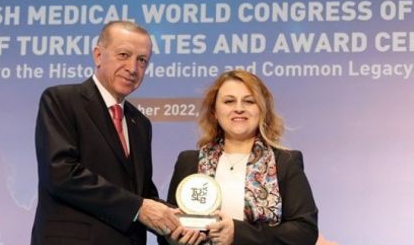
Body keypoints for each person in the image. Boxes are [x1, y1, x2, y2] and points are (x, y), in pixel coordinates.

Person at [31, 21, 184, 245]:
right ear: (98, 55)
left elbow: (142, 194)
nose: (132, 68)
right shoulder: (61, 100)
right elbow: (61, 174)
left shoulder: (140, 123)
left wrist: (184, 221)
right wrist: (138, 208)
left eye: (142, 60)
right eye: (124, 55)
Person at [160, 70, 318, 245]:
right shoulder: (189, 162)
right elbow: (167, 227)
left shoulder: (285, 162)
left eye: (249, 101)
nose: (239, 108)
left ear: (262, 110)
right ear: (214, 111)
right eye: (229, 101)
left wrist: (238, 234)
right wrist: (173, 238)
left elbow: (305, 231)